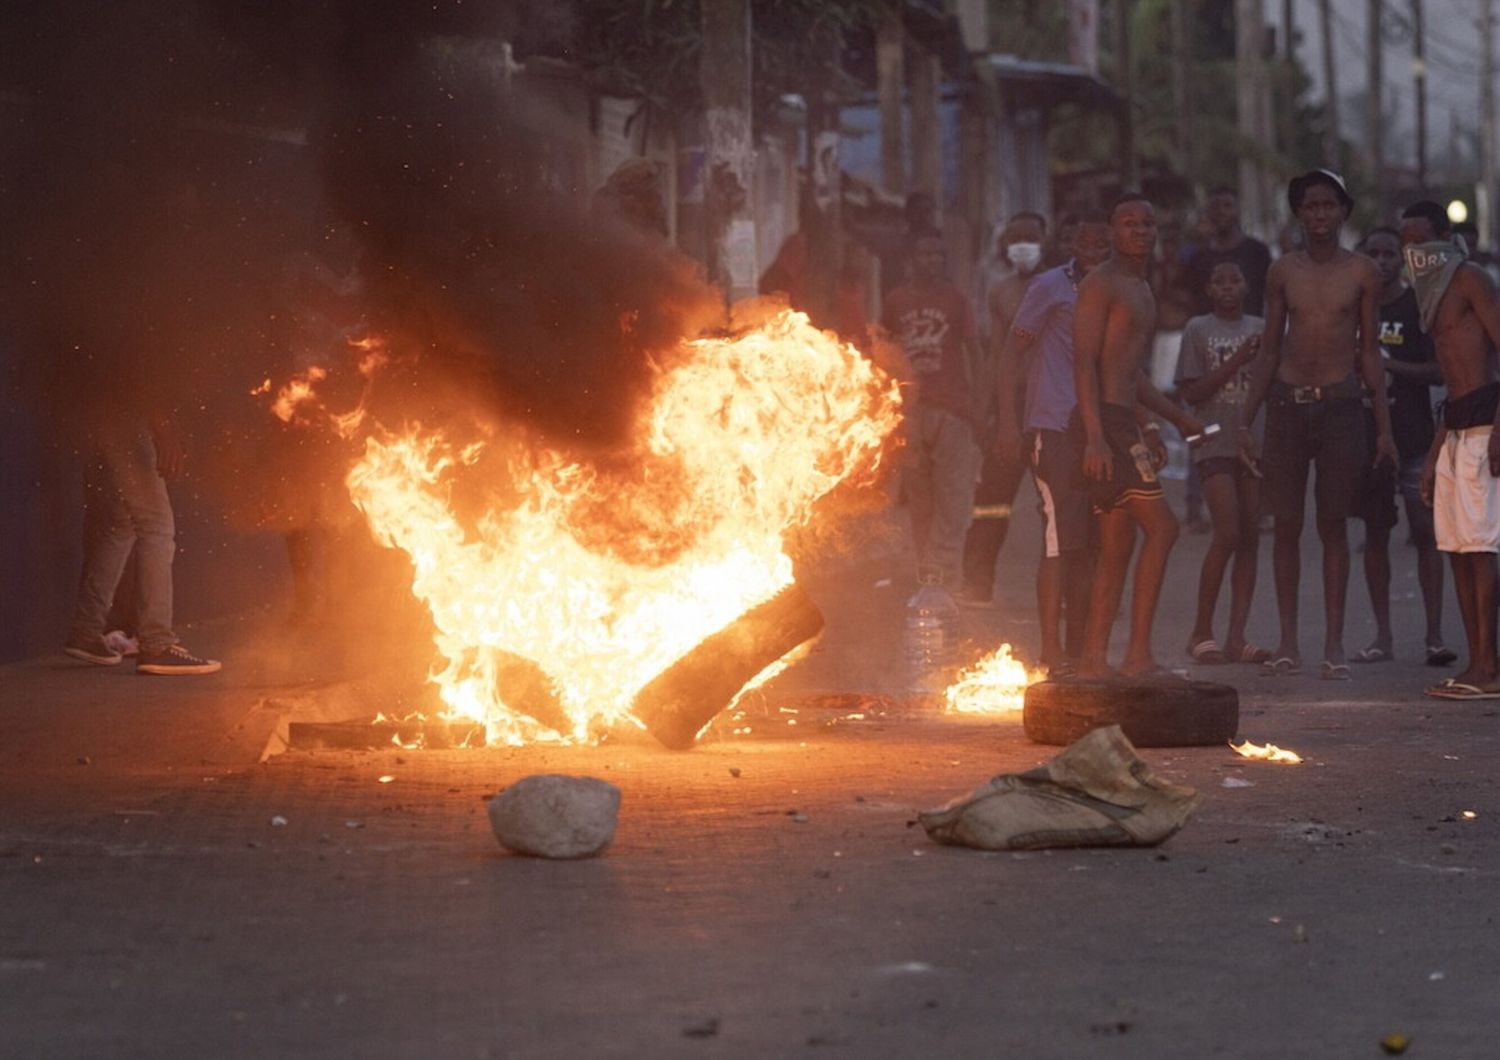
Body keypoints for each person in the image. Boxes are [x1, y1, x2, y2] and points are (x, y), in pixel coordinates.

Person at [1239, 170, 1397, 680]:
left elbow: (1369, 352)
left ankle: (1334, 641)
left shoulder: (1364, 272)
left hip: (1341, 406)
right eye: (1311, 206)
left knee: (1333, 524)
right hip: (1287, 404)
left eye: (1329, 206)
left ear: (1343, 211)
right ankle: (1288, 640)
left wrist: (1385, 428)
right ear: (1298, 212)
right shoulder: (1283, 270)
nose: (1320, 215)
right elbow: (1268, 348)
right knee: (1286, 524)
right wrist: (1246, 419)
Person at [1072, 194, 1205, 677]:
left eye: (1147, 224)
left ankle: (1093, 660)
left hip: (1122, 419)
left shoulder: (1142, 287)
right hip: (1103, 422)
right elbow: (1084, 362)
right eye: (1128, 223)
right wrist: (1094, 437)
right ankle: (1137, 656)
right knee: (1164, 528)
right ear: (1112, 231)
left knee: (1118, 543)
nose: (1140, 231)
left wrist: (1171, 419)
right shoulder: (1100, 284)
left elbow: (1129, 373)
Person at [994, 212, 1113, 673]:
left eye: (1100, 239)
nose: (1091, 246)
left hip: (1104, 429)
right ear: (1068, 242)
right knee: (1059, 542)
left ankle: (1083, 649)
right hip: (1055, 427)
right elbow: (1011, 353)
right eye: (1080, 237)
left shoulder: (1121, 289)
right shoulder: (1048, 287)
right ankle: (1051, 652)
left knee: (1092, 545)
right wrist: (1008, 422)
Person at [1402, 201, 1500, 699]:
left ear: (1443, 236)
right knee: (1457, 547)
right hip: (1457, 426)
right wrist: (1438, 450)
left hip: (1486, 423)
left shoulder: (1470, 280)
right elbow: (1451, 381)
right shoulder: (1431, 294)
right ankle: (1475, 663)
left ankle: (1489, 667)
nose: (1414, 252)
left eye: (1422, 240)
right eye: (1408, 244)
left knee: (1480, 546)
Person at [1353, 226, 1453, 666]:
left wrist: (1390, 366)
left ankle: (1434, 637)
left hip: (1414, 436)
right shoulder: (1353, 305)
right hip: (1364, 438)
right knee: (1375, 535)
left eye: (1389, 252)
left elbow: (1440, 370)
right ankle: (1382, 638)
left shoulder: (1417, 305)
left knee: (1426, 535)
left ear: (1403, 258)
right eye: (1373, 252)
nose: (1382, 260)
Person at [63, 409, 222, 674]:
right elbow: (137, 375)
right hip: (128, 421)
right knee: (156, 526)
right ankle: (156, 643)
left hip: (100, 418)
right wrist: (163, 429)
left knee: (120, 525)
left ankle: (86, 631)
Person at [1174, 261, 1269, 665]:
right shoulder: (1198, 329)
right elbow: (1193, 392)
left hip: (1254, 442)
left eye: (1235, 280)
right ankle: (1201, 631)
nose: (1228, 288)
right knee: (1227, 532)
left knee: (1249, 536)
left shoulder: (1263, 328)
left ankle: (1236, 636)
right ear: (1210, 289)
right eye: (1219, 281)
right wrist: (1236, 361)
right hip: (1214, 441)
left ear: (1247, 286)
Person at [882, 229, 981, 597]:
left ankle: (947, 582)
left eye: (939, 255)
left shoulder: (956, 300)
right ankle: (928, 579)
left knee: (953, 503)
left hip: (952, 410)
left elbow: (975, 350)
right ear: (912, 259)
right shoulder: (895, 300)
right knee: (921, 504)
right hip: (910, 412)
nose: (933, 261)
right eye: (926, 254)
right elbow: (885, 349)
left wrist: (981, 406)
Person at [962, 211, 1048, 604]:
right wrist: (986, 410)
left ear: (1045, 239)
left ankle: (1070, 592)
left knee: (1060, 507)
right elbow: (995, 353)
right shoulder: (1000, 291)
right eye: (1015, 238)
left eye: (1030, 237)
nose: (1023, 245)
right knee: (991, 502)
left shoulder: (1063, 286)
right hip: (1010, 410)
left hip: (1053, 407)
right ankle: (977, 581)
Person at [1182, 186, 1274, 316]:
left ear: (1238, 210)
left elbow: (1272, 298)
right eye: (1215, 206)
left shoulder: (1258, 252)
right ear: (1208, 212)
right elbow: (1192, 303)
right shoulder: (1197, 259)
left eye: (1227, 205)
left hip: (1252, 334)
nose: (1221, 211)